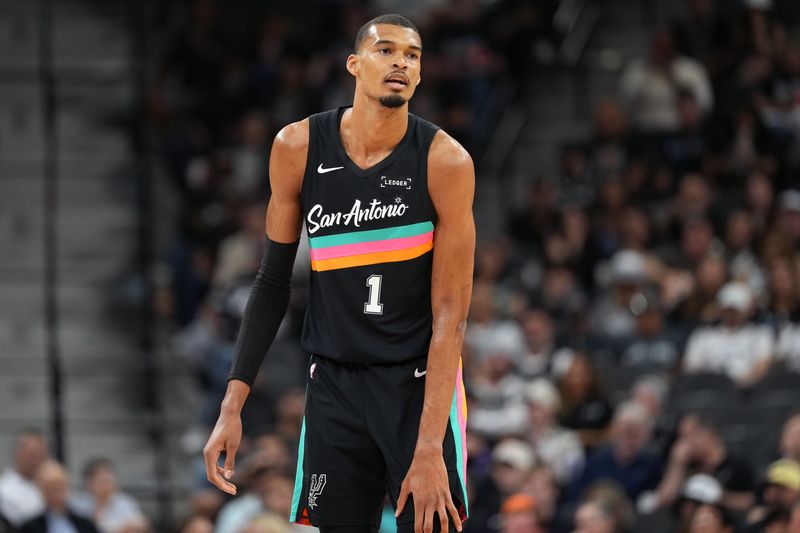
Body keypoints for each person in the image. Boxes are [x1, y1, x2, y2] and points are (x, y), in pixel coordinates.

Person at [202, 13, 476, 533]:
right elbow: (272, 282)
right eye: (386, 50)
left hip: (415, 384)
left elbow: (450, 313)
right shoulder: (297, 148)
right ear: (354, 64)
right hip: (334, 385)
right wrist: (232, 405)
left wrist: (427, 444)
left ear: (420, 75)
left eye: (412, 56)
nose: (400, 62)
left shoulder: (445, 162)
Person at [20, 460, 100, 533]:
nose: (57, 495)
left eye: (60, 488)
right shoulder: (30, 528)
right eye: (51, 489)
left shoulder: (85, 524)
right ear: (42, 492)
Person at [70, 458, 145, 533]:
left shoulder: (124, 501)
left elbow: (140, 525)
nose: (107, 486)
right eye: (103, 482)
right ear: (89, 483)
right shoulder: (77, 504)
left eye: (110, 481)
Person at [0, 428, 48, 526]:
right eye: (31, 454)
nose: (36, 460)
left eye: (40, 454)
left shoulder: (52, 484)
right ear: (16, 453)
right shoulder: (4, 490)